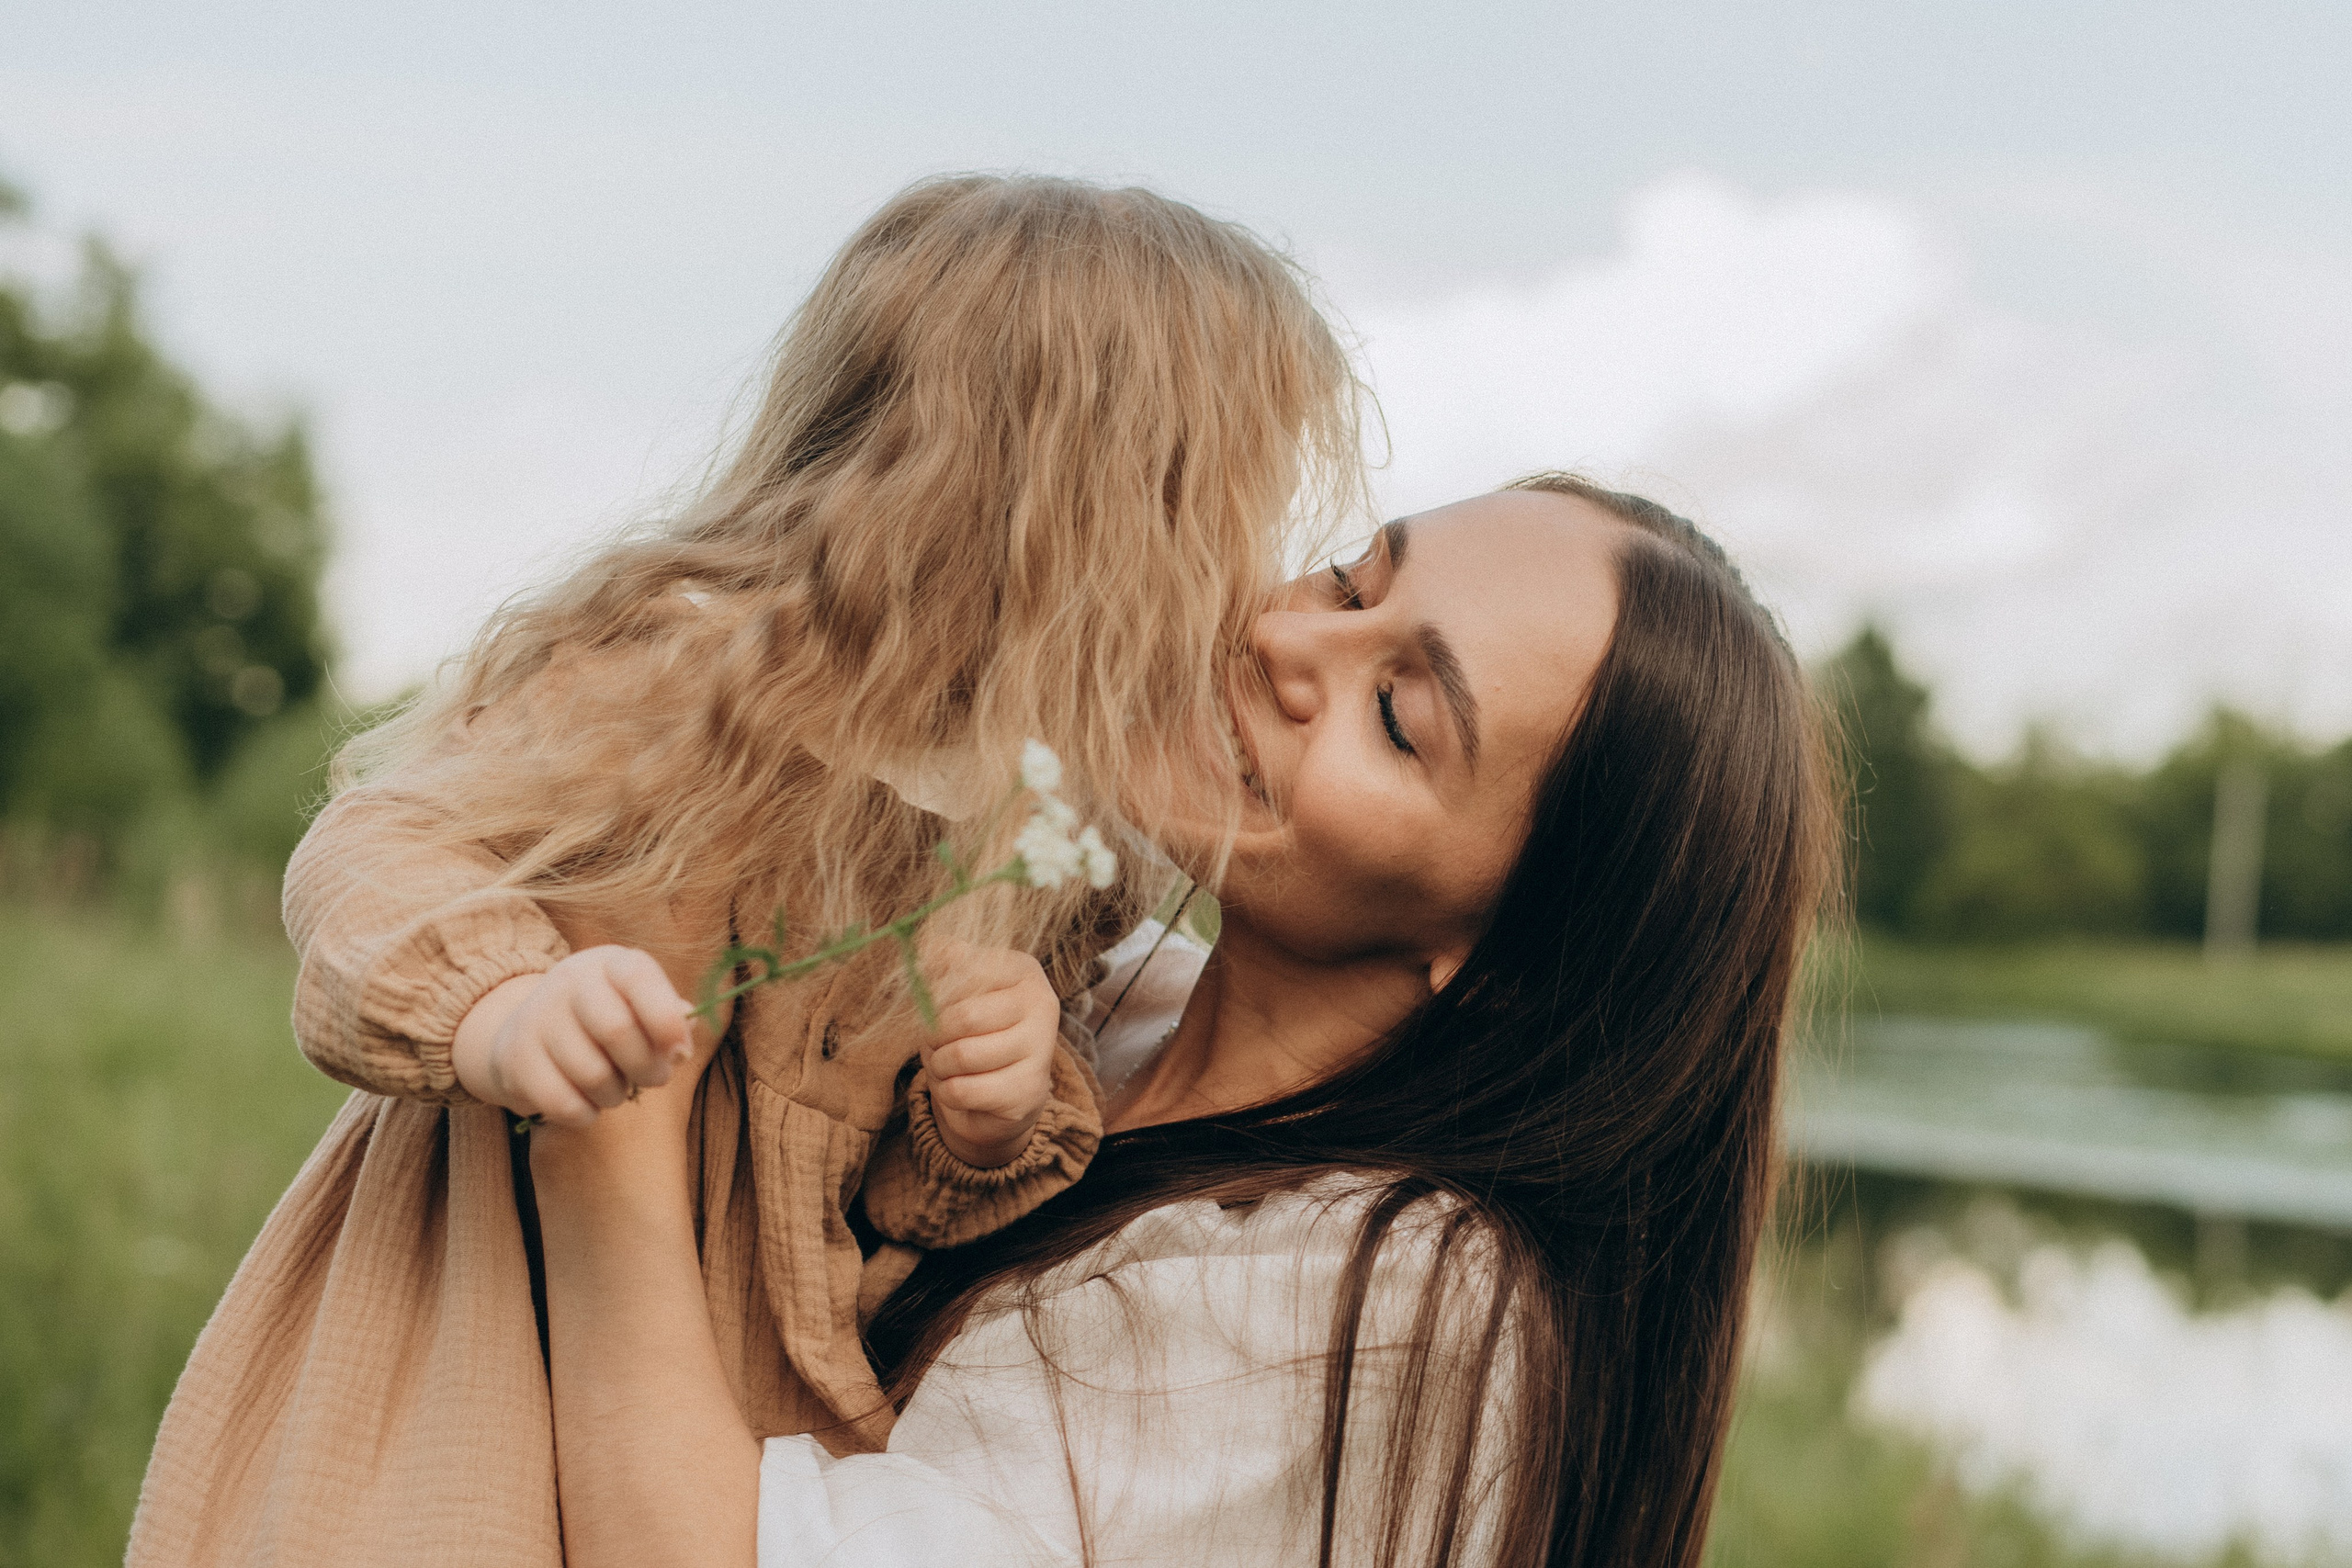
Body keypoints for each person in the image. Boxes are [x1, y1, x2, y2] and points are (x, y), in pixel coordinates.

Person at [127, 175, 1362, 1568]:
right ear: (1068, 512)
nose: (1245, 579)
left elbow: (884, 1204)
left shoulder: (1037, 821)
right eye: (1218, 516)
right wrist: (502, 1008)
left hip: (758, 1395)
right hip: (484, 1313)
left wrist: (987, 1117)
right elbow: (383, 847)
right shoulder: (683, 676)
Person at [524, 475, 1842, 1568]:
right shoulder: (1097, 989)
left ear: (1509, 968)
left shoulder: (1378, 1302)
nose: (1281, 641)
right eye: (1347, 581)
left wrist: (608, 1113)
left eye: (1397, 715)